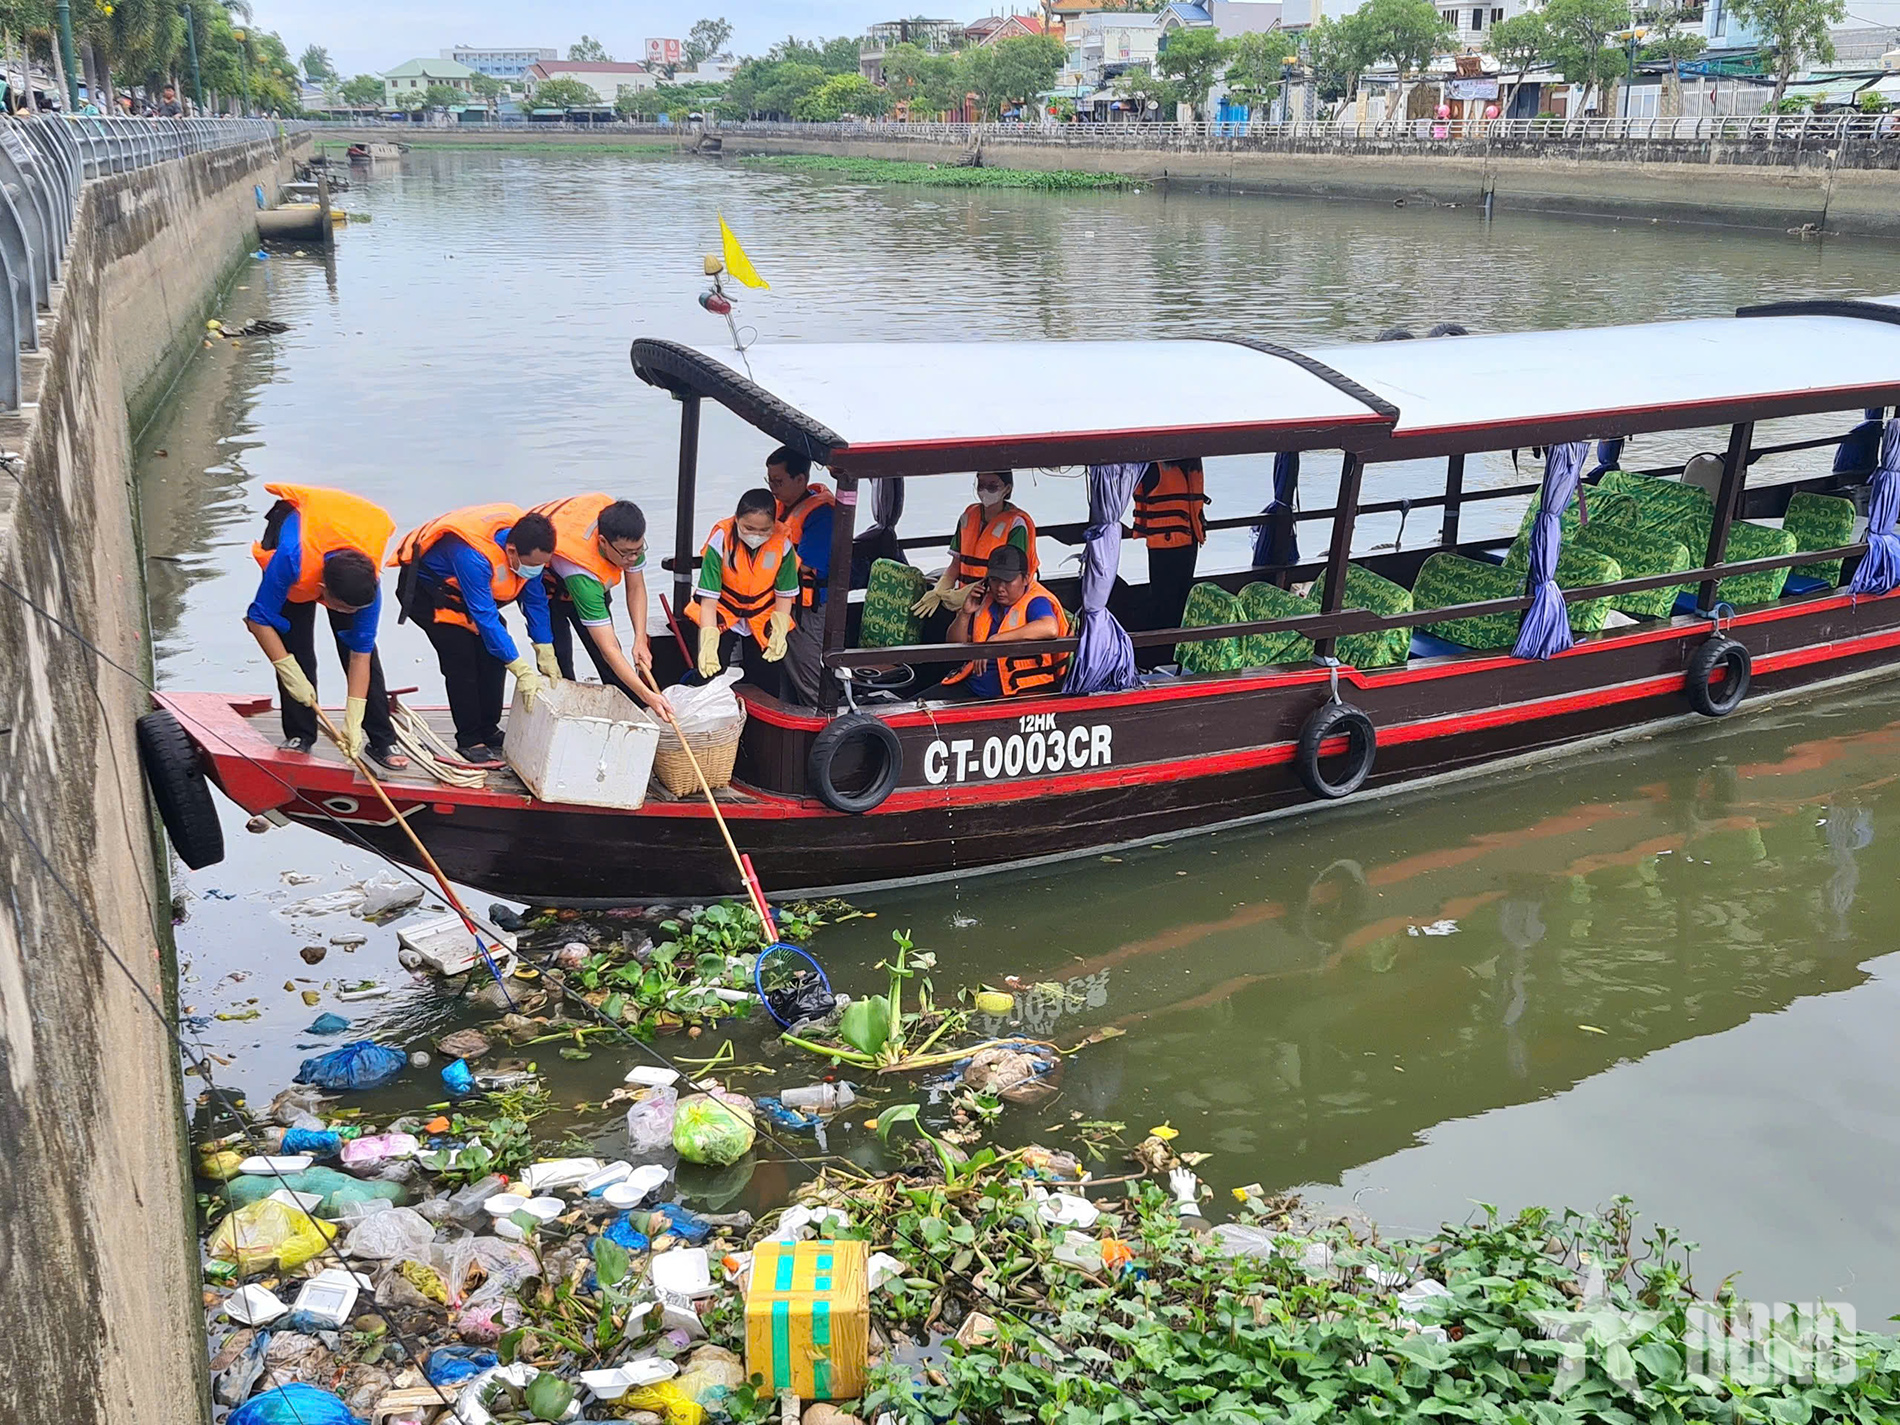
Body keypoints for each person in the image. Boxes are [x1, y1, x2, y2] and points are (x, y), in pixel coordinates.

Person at [243, 482, 407, 768]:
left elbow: (361, 653)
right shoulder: (290, 560)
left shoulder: (368, 588)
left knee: (359, 647)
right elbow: (257, 619)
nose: (350, 612)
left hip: (345, 540)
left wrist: (352, 718)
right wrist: (288, 670)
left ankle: (381, 738)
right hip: (297, 527)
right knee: (294, 644)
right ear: (322, 590)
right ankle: (299, 735)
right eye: (343, 607)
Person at [391, 503, 556, 764]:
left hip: (468, 598)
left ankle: (488, 729)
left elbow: (535, 602)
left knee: (493, 659)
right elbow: (485, 618)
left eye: (541, 565)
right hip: (431, 595)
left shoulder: (530, 555)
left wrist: (544, 647)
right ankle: (469, 739)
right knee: (461, 658)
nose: (536, 570)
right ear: (511, 551)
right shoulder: (474, 556)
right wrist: (520, 668)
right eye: (533, 565)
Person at [526, 493, 673, 720]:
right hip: (547, 591)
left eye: (638, 550)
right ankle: (567, 719)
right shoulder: (582, 574)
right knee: (559, 663)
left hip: (591, 583)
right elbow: (609, 647)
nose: (633, 558)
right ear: (603, 542)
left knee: (609, 664)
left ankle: (632, 714)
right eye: (627, 553)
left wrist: (640, 639)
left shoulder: (628, 539)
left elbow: (635, 588)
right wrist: (647, 694)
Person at [690, 488, 797, 691]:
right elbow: (709, 599)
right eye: (748, 528)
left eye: (764, 530)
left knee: (767, 676)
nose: (756, 535)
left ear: (774, 525)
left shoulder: (783, 544)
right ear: (736, 520)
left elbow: (784, 594)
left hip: (762, 613)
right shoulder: (721, 540)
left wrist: (780, 630)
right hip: (723, 611)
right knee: (710, 672)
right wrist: (708, 639)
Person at [939, 544, 1069, 700]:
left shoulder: (1036, 601)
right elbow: (954, 644)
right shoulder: (985, 601)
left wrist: (996, 640)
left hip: (1016, 695)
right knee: (912, 706)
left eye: (1008, 581)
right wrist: (965, 613)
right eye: (994, 580)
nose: (1000, 588)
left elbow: (1049, 627)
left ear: (1026, 579)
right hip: (973, 688)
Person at [911, 471, 1037, 618]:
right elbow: (956, 564)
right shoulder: (968, 515)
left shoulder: (1016, 524)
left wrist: (963, 595)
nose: (985, 491)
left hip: (997, 598)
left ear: (1007, 489)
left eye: (992, 486)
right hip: (965, 600)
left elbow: (1012, 574)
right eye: (981, 485)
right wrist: (939, 592)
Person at [764, 444, 834, 706]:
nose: (773, 488)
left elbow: (805, 566)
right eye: (770, 481)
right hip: (783, 604)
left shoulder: (822, 514)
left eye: (778, 481)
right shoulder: (782, 507)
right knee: (783, 674)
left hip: (808, 611)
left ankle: (826, 725)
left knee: (807, 674)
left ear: (801, 479)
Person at [1133, 456, 1209, 633]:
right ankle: (1167, 648)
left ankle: (1167, 648)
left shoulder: (1157, 462)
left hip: (1182, 542)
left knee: (1171, 603)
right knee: (1169, 603)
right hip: (1172, 543)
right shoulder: (1158, 464)